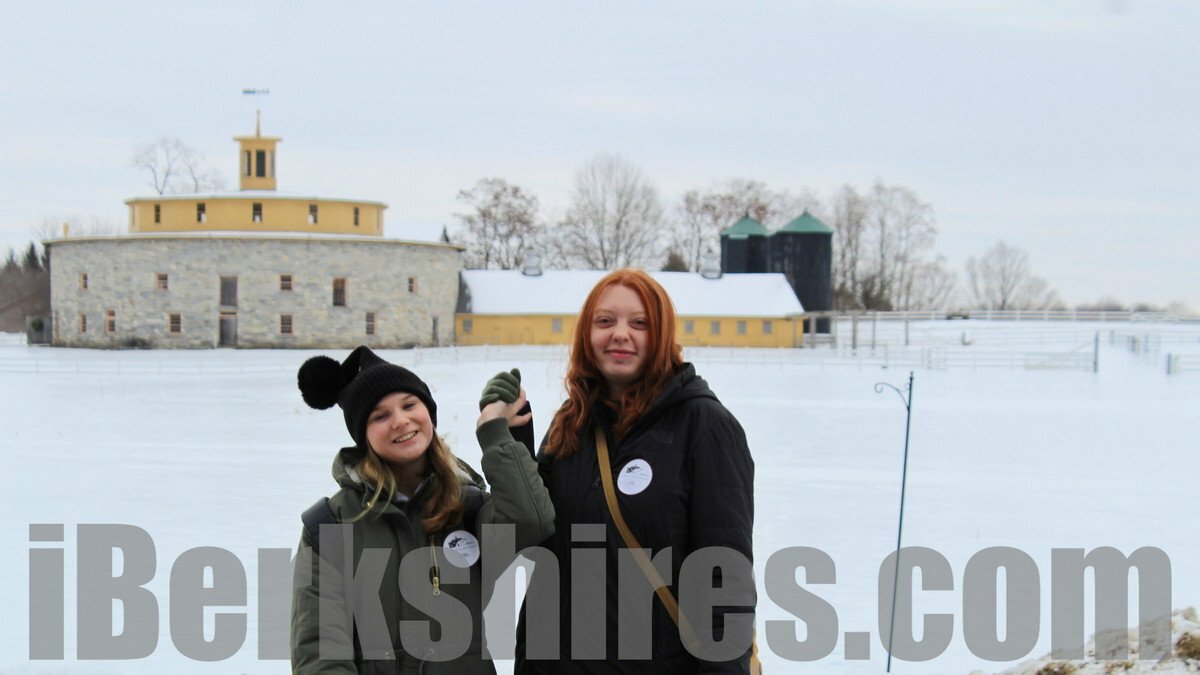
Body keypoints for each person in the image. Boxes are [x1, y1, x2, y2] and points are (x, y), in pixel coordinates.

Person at [513, 269, 756, 673]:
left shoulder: (705, 427)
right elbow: (534, 540)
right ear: (587, 334)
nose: (620, 334)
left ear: (662, 335)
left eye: (640, 323)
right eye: (605, 321)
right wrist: (512, 447)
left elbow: (725, 580)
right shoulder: (571, 423)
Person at [290, 345, 554, 674]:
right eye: (380, 416)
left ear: (428, 413)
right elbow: (320, 653)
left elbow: (532, 521)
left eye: (409, 405)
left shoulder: (467, 508)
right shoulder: (330, 526)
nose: (401, 421)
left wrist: (495, 432)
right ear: (363, 435)